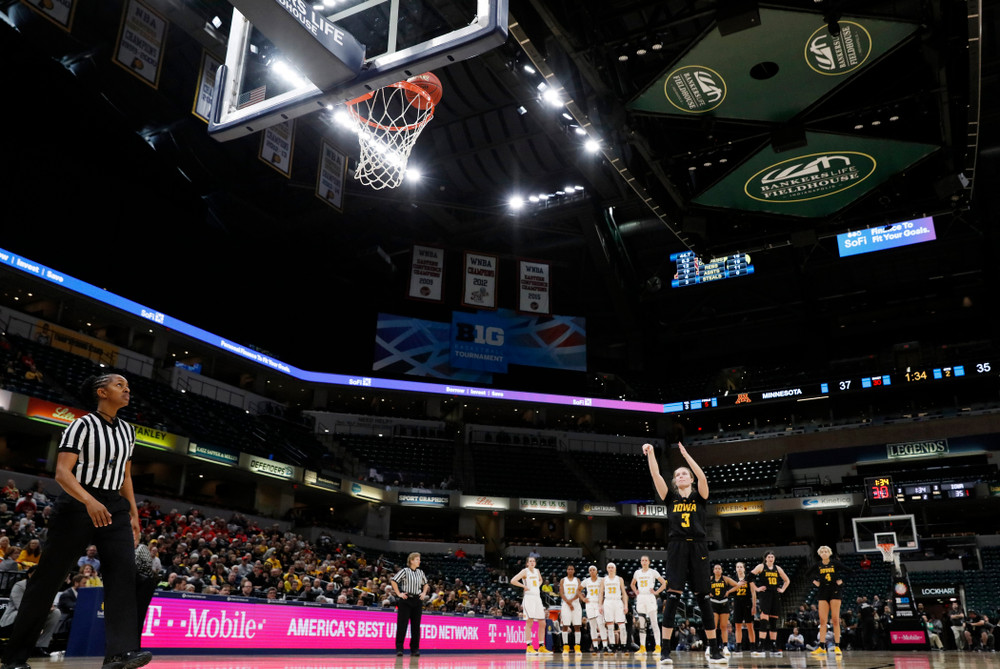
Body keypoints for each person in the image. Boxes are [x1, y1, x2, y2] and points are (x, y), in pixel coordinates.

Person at [0, 374, 152, 669]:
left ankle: (120, 653)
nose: (127, 389)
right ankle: (14, 658)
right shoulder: (81, 425)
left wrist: (133, 513)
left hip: (113, 506)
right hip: (77, 502)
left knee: (123, 575)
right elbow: (62, 473)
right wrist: (88, 501)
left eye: (127, 386)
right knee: (48, 581)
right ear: (101, 392)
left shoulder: (128, 431)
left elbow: (125, 476)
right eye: (119, 385)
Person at [642, 441, 726, 665]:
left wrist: (687, 457)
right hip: (677, 546)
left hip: (698, 546)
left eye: (684, 474)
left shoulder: (700, 497)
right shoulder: (671, 499)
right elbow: (656, 474)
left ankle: (715, 650)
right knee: (672, 598)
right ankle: (665, 651)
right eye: (677, 474)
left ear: (690, 478)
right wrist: (650, 453)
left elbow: (703, 478)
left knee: (704, 599)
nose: (680, 476)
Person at [0, 566, 61, 658]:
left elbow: (48, 603)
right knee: (26, 613)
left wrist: (49, 607)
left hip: (35, 614)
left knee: (56, 613)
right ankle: (19, 648)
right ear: (29, 574)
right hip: (14, 617)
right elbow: (20, 606)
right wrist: (42, 608)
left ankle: (39, 646)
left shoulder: (44, 587)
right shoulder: (20, 586)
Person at [807, 545, 849, 656]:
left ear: (829, 553)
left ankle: (837, 646)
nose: (824, 553)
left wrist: (842, 580)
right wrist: (815, 582)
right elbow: (807, 574)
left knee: (835, 619)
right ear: (820, 554)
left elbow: (850, 571)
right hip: (822, 592)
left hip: (835, 591)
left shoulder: (835, 563)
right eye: (822, 551)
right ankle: (821, 646)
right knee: (822, 621)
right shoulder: (817, 565)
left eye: (826, 551)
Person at [750, 551, 790, 657]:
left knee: (773, 622)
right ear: (765, 558)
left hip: (775, 595)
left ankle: (773, 646)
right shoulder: (761, 566)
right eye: (769, 557)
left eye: (772, 557)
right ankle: (761, 645)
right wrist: (757, 589)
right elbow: (749, 577)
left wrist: (782, 590)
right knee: (764, 621)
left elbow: (787, 580)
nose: (771, 558)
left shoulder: (778, 568)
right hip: (765, 595)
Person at [390, 552, 428, 657]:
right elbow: (394, 581)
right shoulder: (405, 571)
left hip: (417, 600)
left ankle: (415, 649)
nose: (419, 561)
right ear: (411, 561)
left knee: (416, 626)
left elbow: (426, 584)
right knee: (402, 625)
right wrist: (399, 593)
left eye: (419, 559)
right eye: (417, 559)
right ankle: (399, 649)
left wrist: (424, 593)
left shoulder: (420, 572)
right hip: (406, 600)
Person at [511, 556, 551, 654]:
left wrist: (538, 585)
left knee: (543, 623)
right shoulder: (525, 571)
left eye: (533, 561)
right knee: (530, 623)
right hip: (529, 598)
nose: (532, 562)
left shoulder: (537, 571)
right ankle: (529, 646)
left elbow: (540, 580)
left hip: (537, 598)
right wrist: (523, 586)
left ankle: (541, 646)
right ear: (527, 563)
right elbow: (513, 580)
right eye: (530, 561)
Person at [631, 554, 666, 655]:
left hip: (650, 598)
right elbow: (632, 584)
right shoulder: (637, 573)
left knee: (654, 623)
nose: (644, 562)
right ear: (641, 562)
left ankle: (658, 646)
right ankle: (642, 647)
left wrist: (657, 592)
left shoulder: (653, 572)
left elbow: (664, 583)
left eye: (646, 560)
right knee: (642, 625)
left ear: (649, 562)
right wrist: (635, 591)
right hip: (641, 598)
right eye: (643, 560)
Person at [726, 562, 756, 658]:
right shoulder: (733, 579)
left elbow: (753, 592)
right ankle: (738, 646)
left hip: (747, 603)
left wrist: (754, 606)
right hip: (737, 604)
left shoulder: (748, 578)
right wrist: (737, 585)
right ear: (736, 569)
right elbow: (728, 592)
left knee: (750, 626)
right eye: (737, 567)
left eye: (740, 567)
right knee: (737, 626)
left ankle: (753, 646)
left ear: (744, 569)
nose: (739, 568)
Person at [708, 563, 737, 658]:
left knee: (724, 626)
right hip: (713, 603)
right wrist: (708, 592)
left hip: (724, 603)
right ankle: (711, 646)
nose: (717, 570)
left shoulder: (725, 579)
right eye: (715, 568)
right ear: (713, 570)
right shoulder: (710, 579)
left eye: (719, 568)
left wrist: (729, 592)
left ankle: (725, 647)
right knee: (713, 626)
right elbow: (701, 586)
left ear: (721, 570)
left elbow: (737, 585)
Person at [599, 562, 628, 652]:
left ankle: (623, 644)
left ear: (615, 569)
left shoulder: (619, 579)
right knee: (610, 625)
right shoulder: (604, 579)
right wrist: (600, 605)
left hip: (618, 601)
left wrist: (625, 605)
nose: (611, 569)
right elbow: (601, 593)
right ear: (607, 569)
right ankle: (612, 644)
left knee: (622, 625)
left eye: (612, 567)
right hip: (608, 601)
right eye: (609, 567)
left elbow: (624, 593)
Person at [582, 565, 610, 652]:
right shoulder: (586, 581)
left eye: (593, 570)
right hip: (589, 604)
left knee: (601, 624)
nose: (592, 571)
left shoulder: (602, 580)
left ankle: (605, 645)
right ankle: (595, 646)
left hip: (599, 603)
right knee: (592, 625)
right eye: (590, 570)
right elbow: (578, 590)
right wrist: (583, 599)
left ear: (597, 571)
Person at [558, 564, 584, 654]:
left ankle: (577, 647)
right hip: (566, 604)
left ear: (574, 571)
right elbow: (561, 593)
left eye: (572, 569)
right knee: (565, 625)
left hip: (576, 604)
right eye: (569, 569)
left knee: (577, 626)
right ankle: (565, 646)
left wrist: (572, 601)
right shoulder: (563, 580)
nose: (570, 570)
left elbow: (579, 592)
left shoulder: (577, 580)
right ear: (567, 570)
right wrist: (569, 603)